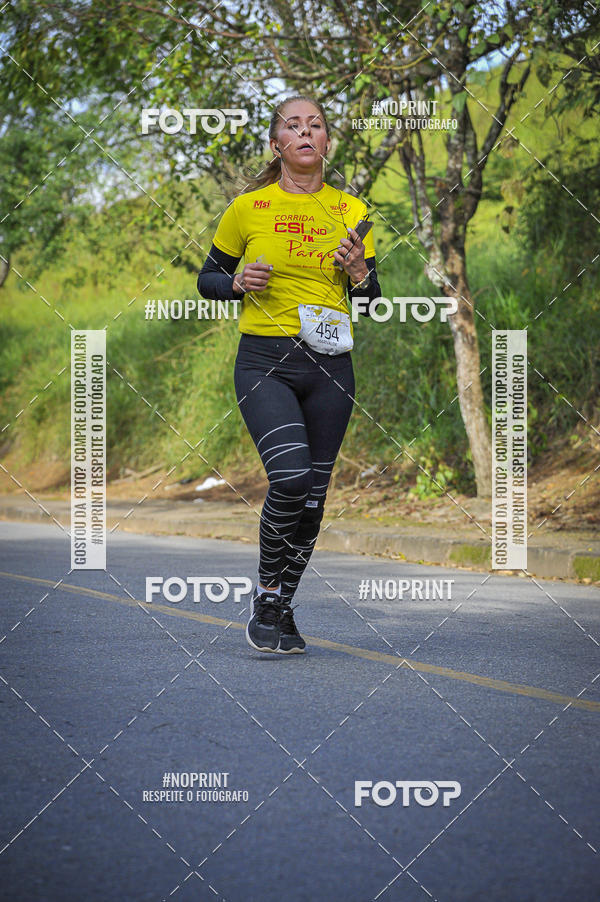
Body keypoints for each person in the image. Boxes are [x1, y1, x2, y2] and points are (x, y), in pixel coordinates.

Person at [197, 94, 381, 655]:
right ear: (277, 145)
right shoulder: (247, 208)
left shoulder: (353, 211)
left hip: (332, 367)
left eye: (316, 125)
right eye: (293, 126)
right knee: (291, 480)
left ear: (327, 143)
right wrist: (236, 283)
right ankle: (267, 592)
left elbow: (372, 302)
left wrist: (358, 273)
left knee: (315, 499)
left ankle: (279, 605)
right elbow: (206, 279)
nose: (306, 132)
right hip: (264, 363)